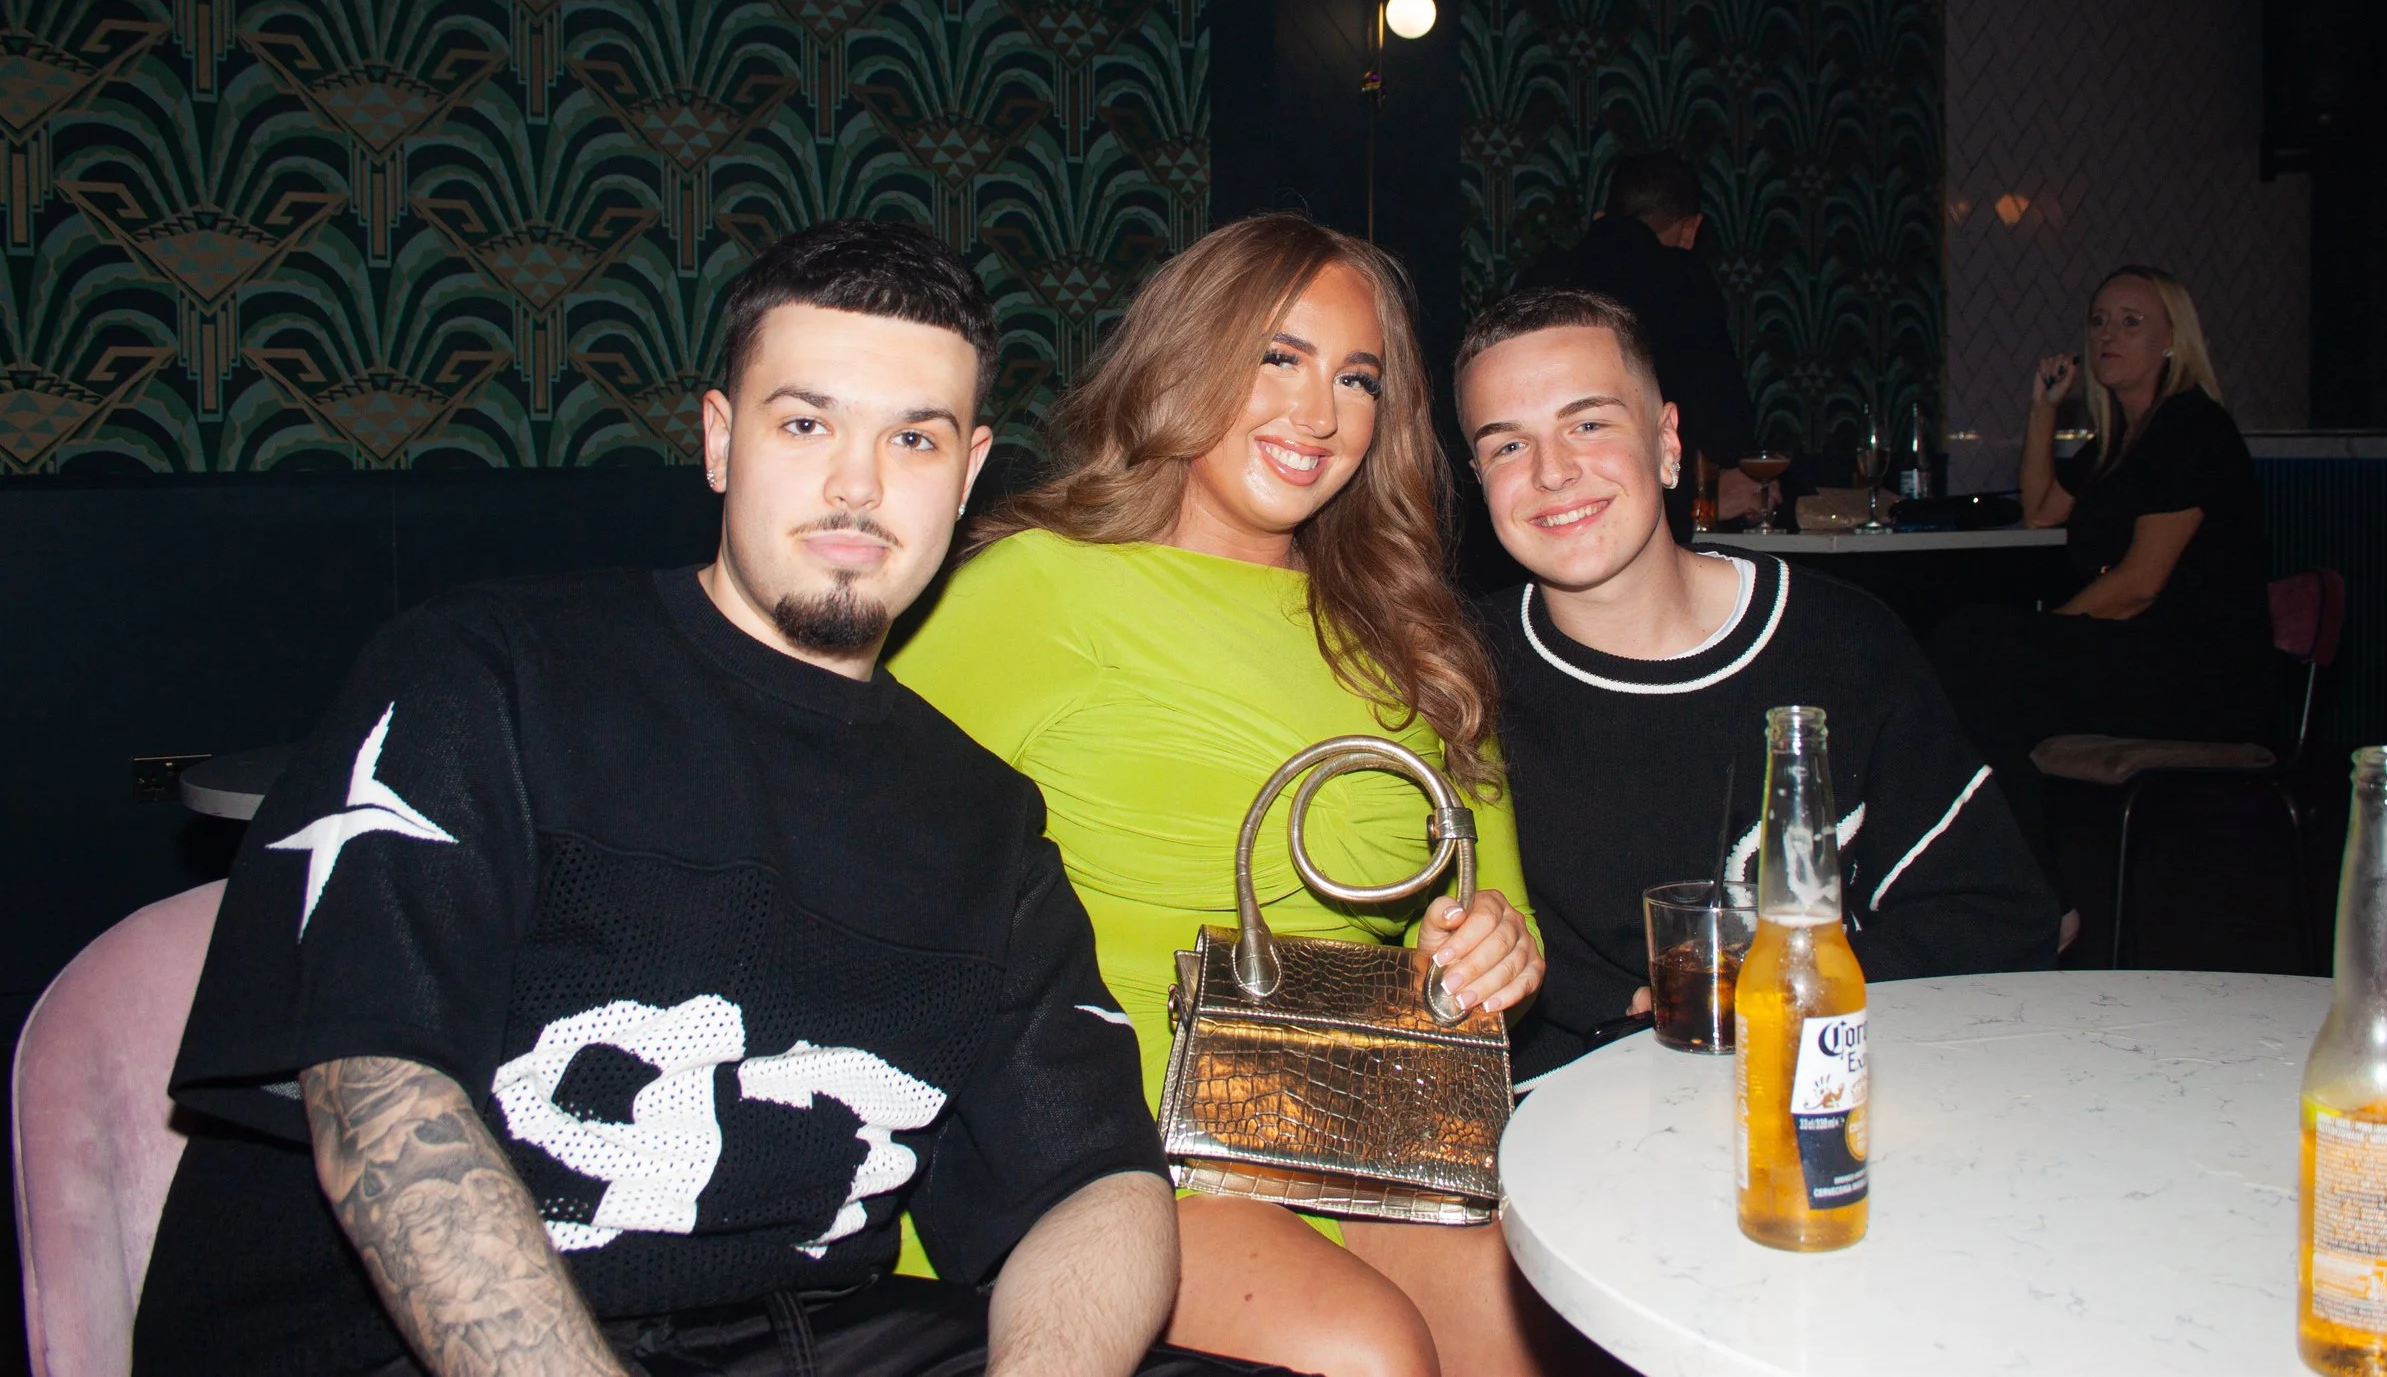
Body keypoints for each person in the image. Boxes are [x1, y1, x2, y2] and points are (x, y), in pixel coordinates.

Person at [132, 222, 1296, 1377]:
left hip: (809, 1323)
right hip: (401, 1336)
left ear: (968, 473)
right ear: (719, 439)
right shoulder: (484, 672)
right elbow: (377, 1090)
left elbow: (1098, 1184)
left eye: (913, 438)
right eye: (806, 423)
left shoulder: (984, 821)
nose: (858, 483)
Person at [890, 214, 1557, 1377]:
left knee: (1523, 1328)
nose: (1317, 413)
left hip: (1353, 1117)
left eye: (1356, 378)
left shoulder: (1414, 637)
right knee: (1368, 1349)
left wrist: (1491, 947)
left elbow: (1500, 916)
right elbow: (846, 840)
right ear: (1183, 358)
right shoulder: (1039, 587)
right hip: (1107, 1130)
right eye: (1276, 356)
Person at [1450, 288, 2059, 1079]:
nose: (1553, 471)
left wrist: (1774, 996)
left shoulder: (1839, 643)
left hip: (1822, 1088)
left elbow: (1996, 920)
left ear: (1668, 442)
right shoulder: (1457, 677)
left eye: (1589, 424)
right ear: (1479, 478)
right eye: (1508, 445)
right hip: (1560, 1111)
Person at [1925, 267, 2272, 895]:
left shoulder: (2190, 426)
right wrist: (2044, 409)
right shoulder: (2123, 440)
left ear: (2172, 340)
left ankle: (2027, 891)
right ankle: (2028, 889)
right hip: (2146, 656)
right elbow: (2042, 510)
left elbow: (2140, 584)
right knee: (1976, 671)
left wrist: (2045, 633)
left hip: (2202, 672)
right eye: (2099, 321)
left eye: (2131, 322)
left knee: (1973, 646)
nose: (2108, 334)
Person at [1513, 147, 1753, 540]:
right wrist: (1707, 487)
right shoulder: (1682, 278)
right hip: (1658, 500)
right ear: (1691, 229)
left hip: (1545, 494)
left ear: (1601, 216)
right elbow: (1723, 415)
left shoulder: (1539, 275)